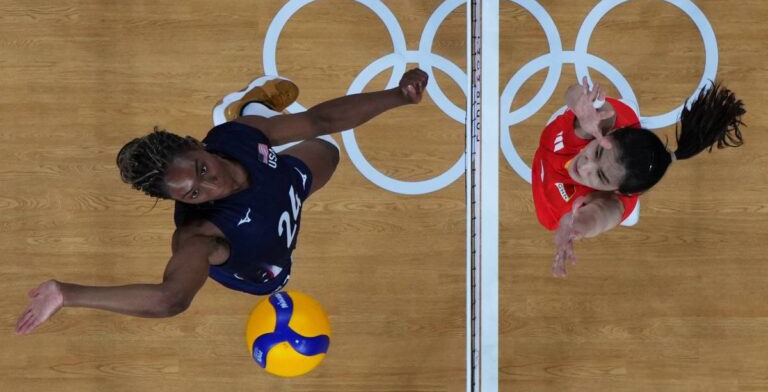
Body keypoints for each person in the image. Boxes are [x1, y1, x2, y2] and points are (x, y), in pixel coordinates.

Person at [16, 68, 429, 334]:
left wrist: (399, 94)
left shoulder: (236, 138)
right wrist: (67, 293)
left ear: (200, 145)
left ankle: (252, 106)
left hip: (281, 187)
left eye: (200, 169)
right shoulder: (200, 236)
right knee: (318, 150)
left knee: (326, 149)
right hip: (260, 264)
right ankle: (253, 106)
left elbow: (321, 119)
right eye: (193, 194)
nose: (211, 186)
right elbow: (169, 300)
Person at [532, 78, 745, 278]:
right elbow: (573, 93)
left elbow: (600, 216)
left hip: (548, 194)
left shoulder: (614, 203)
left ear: (618, 191)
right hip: (555, 150)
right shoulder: (600, 124)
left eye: (601, 176)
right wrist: (580, 102)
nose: (585, 166)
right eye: (597, 153)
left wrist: (576, 227)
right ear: (612, 132)